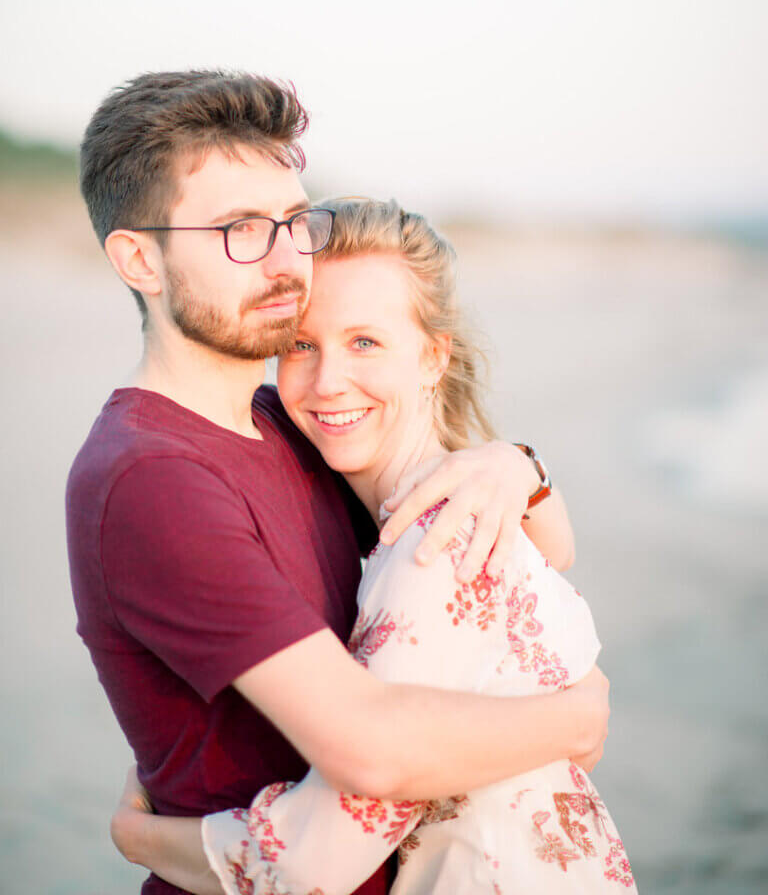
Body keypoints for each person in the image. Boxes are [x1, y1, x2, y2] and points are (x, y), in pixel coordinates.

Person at [66, 70, 610, 895]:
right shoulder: (152, 477)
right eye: (240, 228)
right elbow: (371, 751)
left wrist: (516, 463)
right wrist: (576, 718)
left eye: (291, 221)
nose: (286, 260)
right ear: (140, 256)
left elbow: (535, 544)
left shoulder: (287, 422)